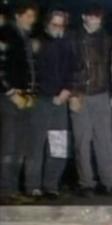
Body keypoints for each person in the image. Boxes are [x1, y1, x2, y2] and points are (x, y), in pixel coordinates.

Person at [69, 4, 112, 197]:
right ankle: (86, 184)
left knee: (105, 140)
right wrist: (72, 93)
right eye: (91, 17)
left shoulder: (107, 40)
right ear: (84, 17)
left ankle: (110, 182)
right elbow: (67, 67)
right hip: (80, 94)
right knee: (82, 140)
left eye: (98, 18)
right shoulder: (72, 38)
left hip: (101, 94)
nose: (95, 21)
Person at [25, 9, 76, 200]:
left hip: (60, 101)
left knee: (59, 145)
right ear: (47, 23)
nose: (57, 28)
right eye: (54, 24)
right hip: (40, 101)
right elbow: (32, 72)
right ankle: (32, 186)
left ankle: (51, 185)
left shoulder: (67, 44)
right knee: (36, 145)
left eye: (61, 25)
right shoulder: (37, 43)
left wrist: (67, 90)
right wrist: (44, 93)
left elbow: (72, 69)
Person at [0, 2, 38, 202]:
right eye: (29, 15)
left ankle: (14, 188)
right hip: (10, 98)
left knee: (21, 145)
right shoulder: (6, 34)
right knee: (9, 144)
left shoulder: (26, 36)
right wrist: (9, 92)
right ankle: (5, 190)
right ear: (18, 15)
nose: (32, 20)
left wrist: (30, 92)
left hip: (25, 97)